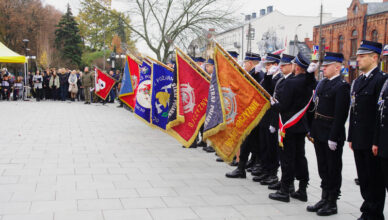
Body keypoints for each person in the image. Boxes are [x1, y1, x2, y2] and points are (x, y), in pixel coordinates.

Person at [269, 52, 317, 203]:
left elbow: (284, 106)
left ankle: (285, 190)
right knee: (300, 157)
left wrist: (274, 105)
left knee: (287, 158)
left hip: (288, 125)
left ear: (296, 67)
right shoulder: (308, 82)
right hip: (300, 126)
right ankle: (302, 189)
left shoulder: (291, 83)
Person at [348, 40, 387, 220]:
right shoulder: (357, 82)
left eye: (362, 56)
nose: (358, 59)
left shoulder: (381, 80)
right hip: (359, 138)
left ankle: (374, 213)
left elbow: (379, 115)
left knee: (374, 179)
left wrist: (376, 141)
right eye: (358, 56)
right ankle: (367, 209)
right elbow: (354, 110)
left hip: (372, 140)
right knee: (363, 178)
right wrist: (351, 137)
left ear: (374, 58)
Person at [308, 52, 350, 216]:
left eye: (327, 66)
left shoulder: (341, 86)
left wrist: (333, 136)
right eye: (323, 65)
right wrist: (312, 129)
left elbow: (341, 115)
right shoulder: (323, 83)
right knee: (323, 167)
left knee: (333, 168)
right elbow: (315, 106)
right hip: (319, 130)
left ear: (337, 67)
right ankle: (324, 197)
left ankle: (332, 202)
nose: (323, 68)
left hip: (332, 133)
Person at [254, 53, 282, 185]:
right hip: (264, 116)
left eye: (270, 65)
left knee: (272, 148)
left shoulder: (279, 79)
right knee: (264, 145)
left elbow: (272, 93)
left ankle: (272, 173)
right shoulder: (268, 77)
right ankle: (265, 170)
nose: (267, 67)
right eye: (267, 65)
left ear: (276, 65)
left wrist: (269, 76)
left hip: (273, 117)